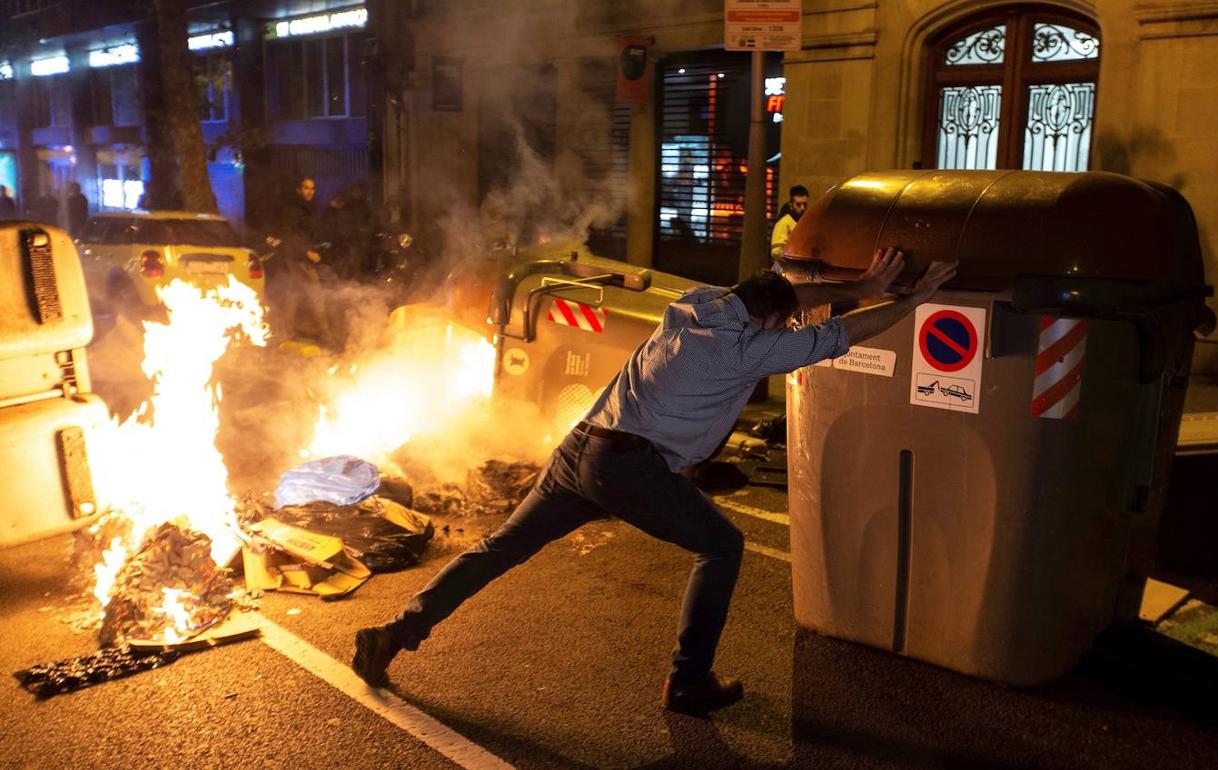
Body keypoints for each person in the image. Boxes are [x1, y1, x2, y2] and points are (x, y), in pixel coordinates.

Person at [352, 247, 958, 715]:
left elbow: (785, 292)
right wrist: (911, 299)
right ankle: (688, 681)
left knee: (500, 548)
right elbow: (844, 334)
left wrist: (862, 285)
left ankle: (396, 633)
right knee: (721, 546)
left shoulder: (704, 303)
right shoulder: (747, 351)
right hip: (629, 467)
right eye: (783, 321)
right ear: (770, 320)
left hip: (581, 448)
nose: (784, 327)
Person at [268, 177, 332, 346]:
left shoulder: (307, 208)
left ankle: (286, 334)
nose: (310, 191)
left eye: (312, 188)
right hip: (299, 259)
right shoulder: (294, 209)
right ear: (299, 190)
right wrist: (308, 252)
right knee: (316, 295)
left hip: (295, 258)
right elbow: (291, 234)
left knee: (292, 296)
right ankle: (325, 335)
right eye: (306, 188)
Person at [770, 184, 809, 261]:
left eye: (804, 204)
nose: (803, 208)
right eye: (798, 204)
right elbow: (776, 252)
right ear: (791, 205)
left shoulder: (801, 222)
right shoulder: (784, 223)